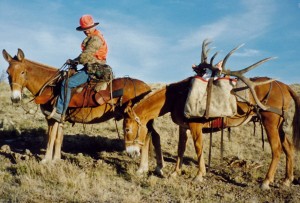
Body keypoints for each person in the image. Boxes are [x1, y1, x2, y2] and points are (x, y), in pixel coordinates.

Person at [45, 14, 108, 122]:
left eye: (88, 28)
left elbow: (87, 55)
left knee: (67, 83)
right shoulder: (95, 37)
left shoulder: (95, 39)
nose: (86, 31)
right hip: (91, 66)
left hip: (93, 69)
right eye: (84, 29)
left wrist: (76, 61)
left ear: (93, 26)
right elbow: (85, 56)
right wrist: (74, 60)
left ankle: (60, 112)